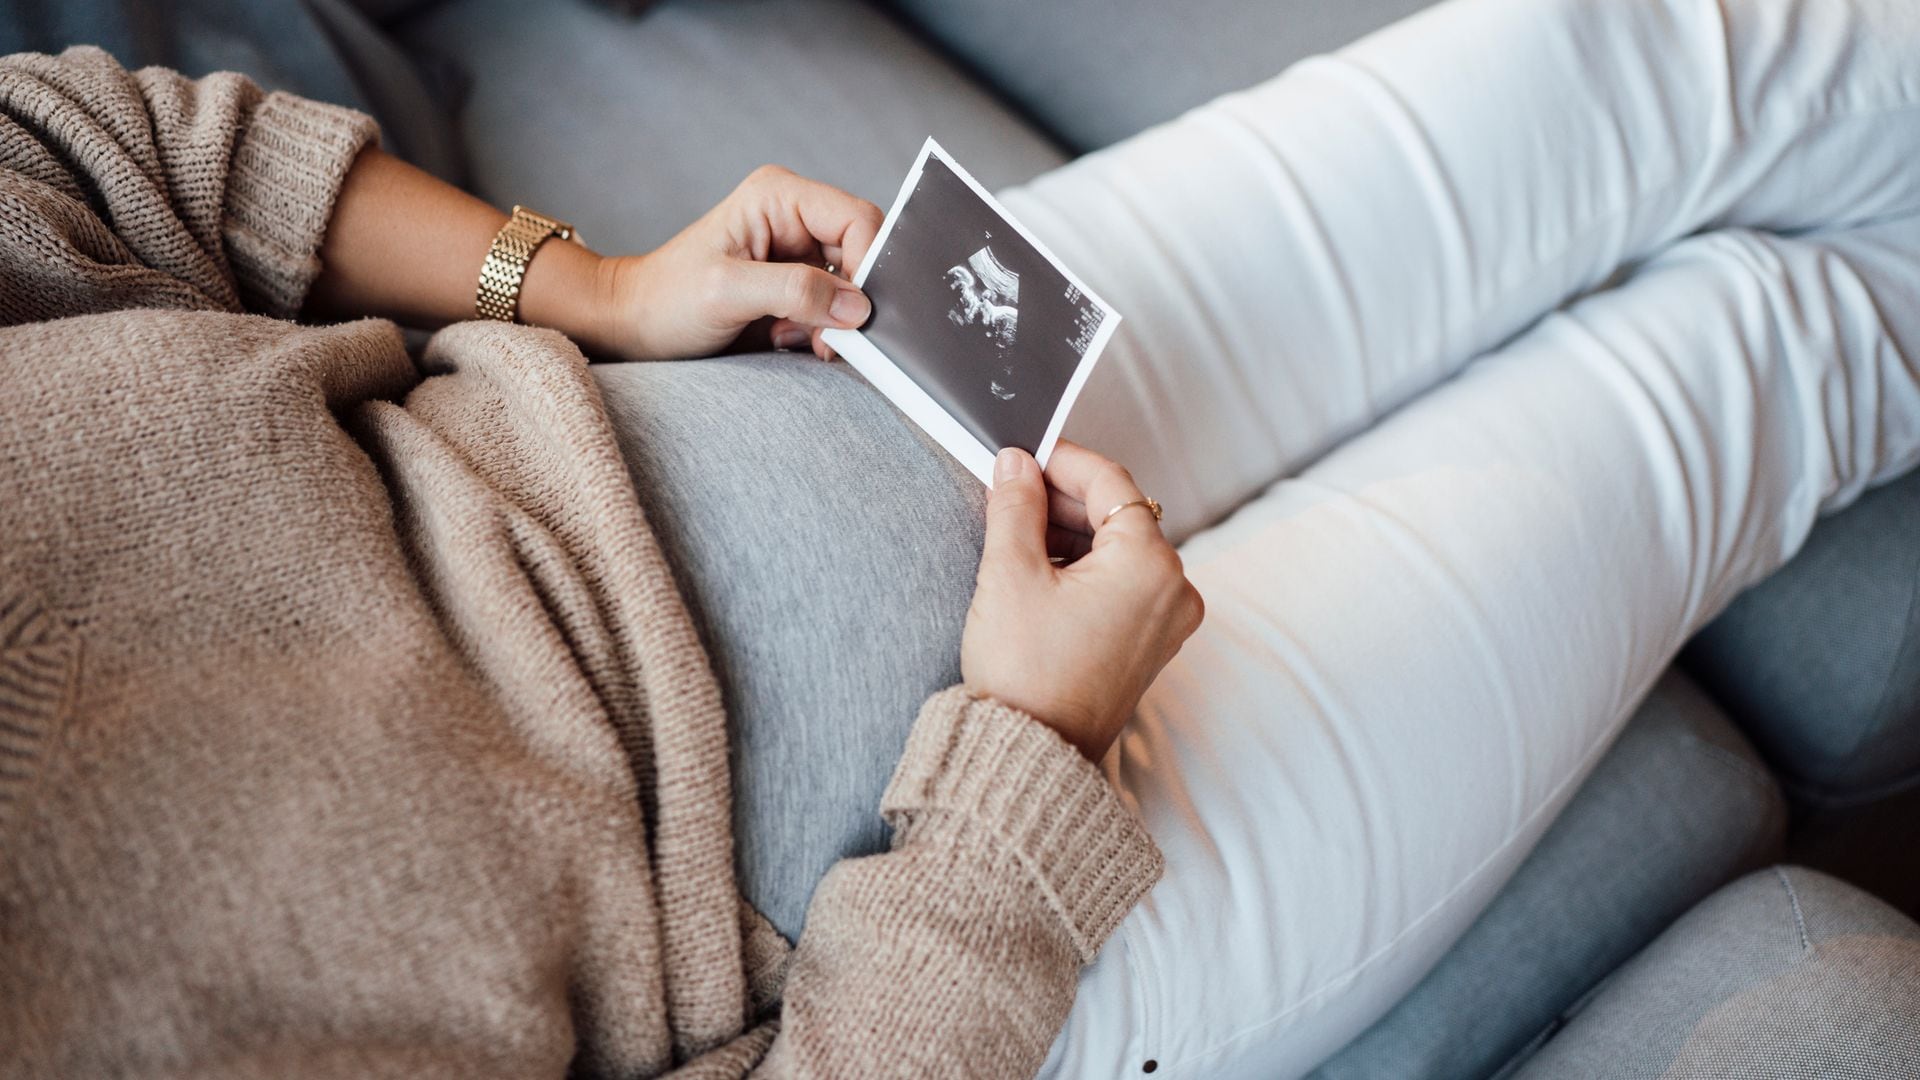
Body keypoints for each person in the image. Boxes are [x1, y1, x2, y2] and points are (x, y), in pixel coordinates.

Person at [5, 0, 1920, 1076]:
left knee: (1648, 65)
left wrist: (578, 285)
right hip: (972, 919)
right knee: (1775, 366)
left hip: (777, 401)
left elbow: (113, 155)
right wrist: (1020, 767)